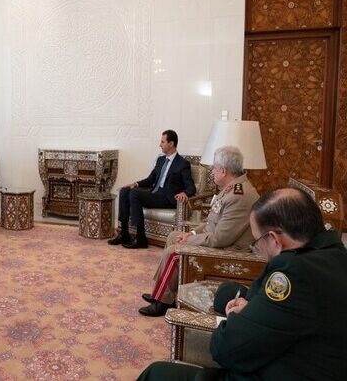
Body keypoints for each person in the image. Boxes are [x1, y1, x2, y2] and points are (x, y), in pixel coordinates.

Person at [137, 187, 347, 381]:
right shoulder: (335, 254)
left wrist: (237, 316)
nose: (258, 250)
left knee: (156, 373)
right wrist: (251, 306)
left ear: (274, 240)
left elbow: (224, 348)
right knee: (226, 292)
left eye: (257, 242)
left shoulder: (293, 274)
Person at [138, 146, 259, 316]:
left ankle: (162, 302)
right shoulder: (232, 188)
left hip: (229, 251)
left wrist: (188, 241)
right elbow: (211, 222)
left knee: (174, 252)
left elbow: (220, 239)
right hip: (219, 240)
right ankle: (162, 291)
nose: (212, 172)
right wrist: (191, 234)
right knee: (174, 236)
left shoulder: (239, 196)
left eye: (214, 168)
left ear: (223, 171)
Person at [108, 129, 196, 248]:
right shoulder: (161, 160)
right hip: (155, 193)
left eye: (162, 142)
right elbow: (150, 179)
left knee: (135, 194)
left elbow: (191, 187)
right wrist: (135, 184)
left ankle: (141, 238)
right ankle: (124, 233)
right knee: (125, 191)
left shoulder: (182, 163)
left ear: (171, 143)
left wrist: (184, 193)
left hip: (167, 198)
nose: (160, 144)